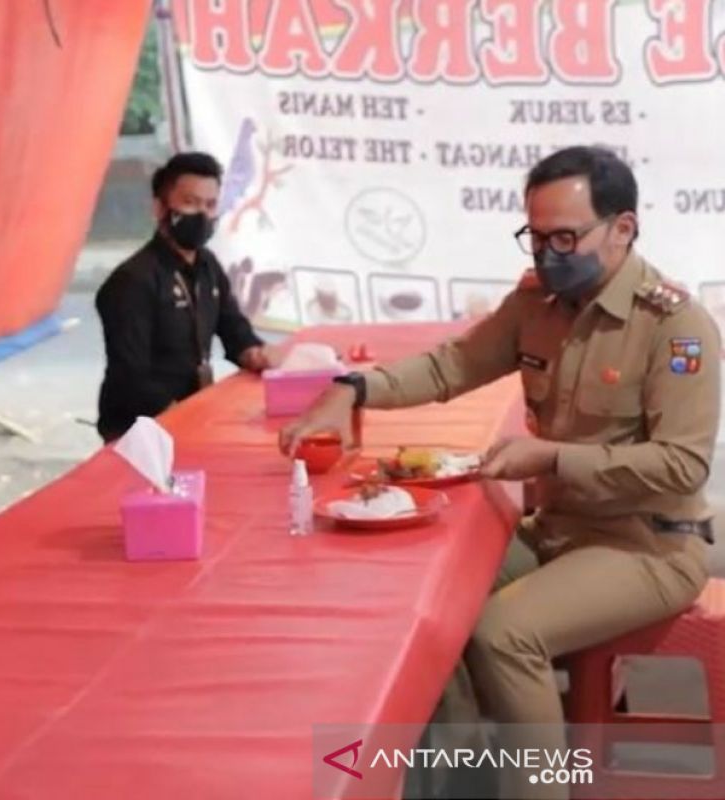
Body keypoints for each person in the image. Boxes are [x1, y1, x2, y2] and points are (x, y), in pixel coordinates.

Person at [281, 146, 719, 799]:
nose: (547, 254)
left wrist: (550, 457)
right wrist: (353, 387)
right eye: (536, 236)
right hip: (560, 529)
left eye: (565, 237)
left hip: (649, 544)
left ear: (623, 228)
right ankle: (465, 779)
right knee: (435, 598)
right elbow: (449, 367)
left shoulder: (675, 327)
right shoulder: (538, 303)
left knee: (502, 633)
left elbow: (682, 463)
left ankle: (542, 789)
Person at [95, 152, 273, 442]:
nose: (201, 215)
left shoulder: (208, 266)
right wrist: (184, 418)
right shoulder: (132, 281)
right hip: (139, 432)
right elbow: (131, 376)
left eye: (210, 205)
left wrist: (255, 353)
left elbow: (235, 331)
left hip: (192, 415)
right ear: (159, 207)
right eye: (189, 203)